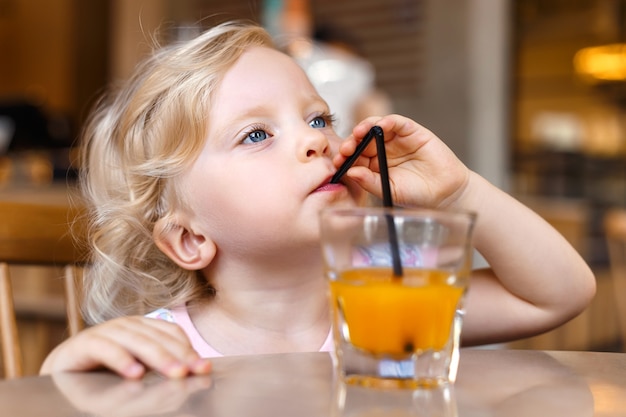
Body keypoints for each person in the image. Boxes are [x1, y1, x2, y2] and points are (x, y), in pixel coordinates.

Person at [40, 21, 595, 379]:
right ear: (189, 238)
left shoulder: (390, 307)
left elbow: (557, 296)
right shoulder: (162, 350)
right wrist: (63, 373)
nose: (317, 140)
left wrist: (459, 190)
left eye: (318, 118)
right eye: (257, 134)